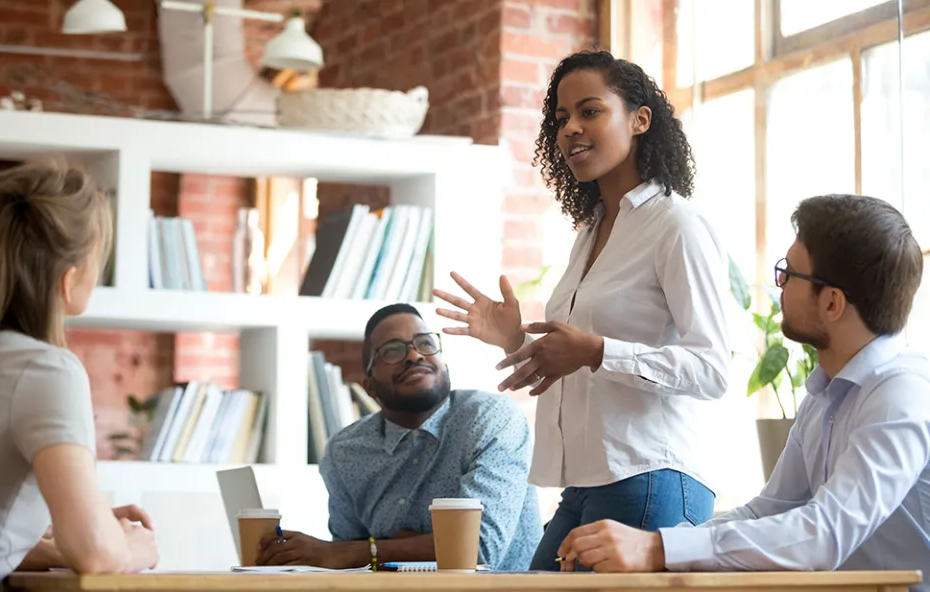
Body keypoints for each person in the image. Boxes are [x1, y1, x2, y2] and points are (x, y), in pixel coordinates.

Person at [433, 49, 731, 571]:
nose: (570, 128)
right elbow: (579, 359)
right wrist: (513, 341)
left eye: (589, 111)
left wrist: (595, 351)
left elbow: (712, 369)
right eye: (561, 118)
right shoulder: (591, 233)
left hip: (652, 478)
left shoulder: (675, 226)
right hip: (588, 484)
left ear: (640, 120)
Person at [556, 195, 929, 587]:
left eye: (789, 275)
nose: (778, 285)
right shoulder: (826, 394)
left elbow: (823, 534)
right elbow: (765, 513)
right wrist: (658, 543)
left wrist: (658, 550)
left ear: (832, 303)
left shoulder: (901, 395)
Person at [0, 163, 159, 591]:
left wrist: (71, 540)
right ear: (69, 280)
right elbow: (96, 553)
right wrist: (131, 547)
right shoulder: (45, 370)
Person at [256, 304, 542, 571]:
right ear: (370, 387)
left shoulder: (490, 418)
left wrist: (370, 550)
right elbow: (350, 566)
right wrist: (395, 549)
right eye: (392, 351)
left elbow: (477, 549)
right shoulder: (344, 452)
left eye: (426, 344)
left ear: (445, 366)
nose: (414, 355)